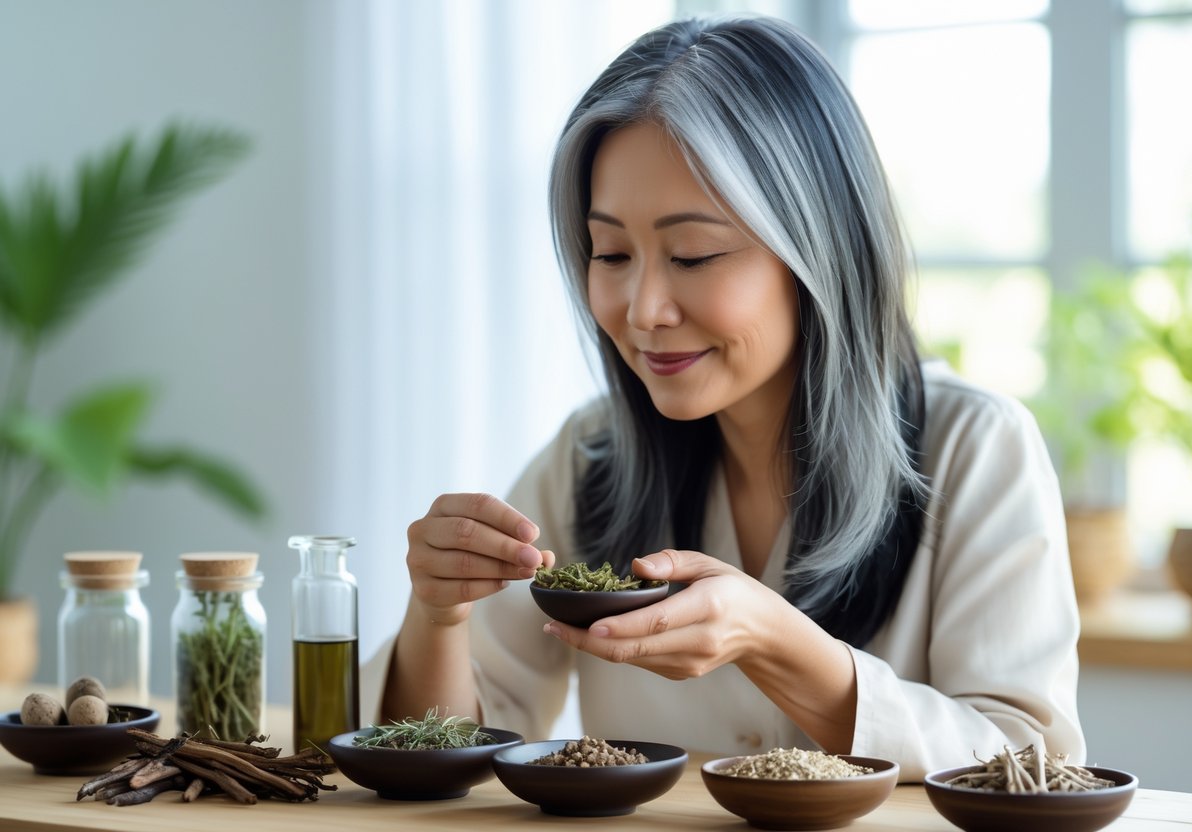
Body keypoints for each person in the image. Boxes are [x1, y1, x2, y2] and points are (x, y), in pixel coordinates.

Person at [362, 13, 1085, 781]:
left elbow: (1032, 761)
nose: (642, 309)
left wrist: (779, 644)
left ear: (818, 248)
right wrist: (439, 616)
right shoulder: (591, 454)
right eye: (610, 252)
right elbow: (441, 750)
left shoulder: (975, 446)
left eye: (692, 255)